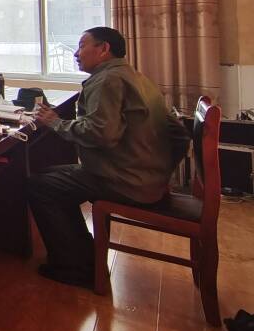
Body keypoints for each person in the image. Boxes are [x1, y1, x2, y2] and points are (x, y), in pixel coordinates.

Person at [29, 27, 192, 289]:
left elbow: (101, 135)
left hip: (124, 179)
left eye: (82, 46)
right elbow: (180, 135)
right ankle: (83, 255)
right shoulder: (137, 77)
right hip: (142, 176)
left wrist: (56, 122)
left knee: (40, 186)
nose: (76, 53)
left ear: (104, 49)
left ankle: (77, 268)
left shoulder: (107, 81)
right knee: (47, 173)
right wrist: (162, 176)